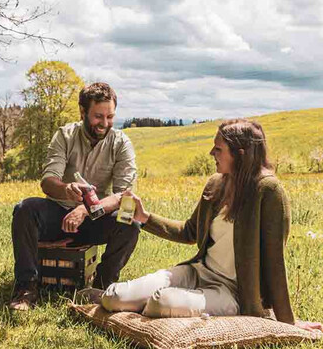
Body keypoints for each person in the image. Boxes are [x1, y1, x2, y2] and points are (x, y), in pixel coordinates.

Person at [99, 118, 322, 332]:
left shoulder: (269, 192)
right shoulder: (217, 183)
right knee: (113, 297)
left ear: (239, 154)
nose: (211, 153)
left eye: (218, 149)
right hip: (198, 271)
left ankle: (168, 303)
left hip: (232, 291)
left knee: (160, 302)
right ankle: (102, 296)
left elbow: (275, 261)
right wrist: (145, 217)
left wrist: (288, 321)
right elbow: (190, 232)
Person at [9, 82, 141, 311]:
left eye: (110, 116)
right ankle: (26, 288)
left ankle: (102, 285)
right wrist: (65, 189)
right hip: (59, 215)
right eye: (98, 116)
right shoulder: (65, 135)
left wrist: (85, 209)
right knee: (25, 209)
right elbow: (48, 181)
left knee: (131, 222)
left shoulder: (121, 143)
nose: (104, 123)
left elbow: (124, 194)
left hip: (96, 219)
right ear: (82, 112)